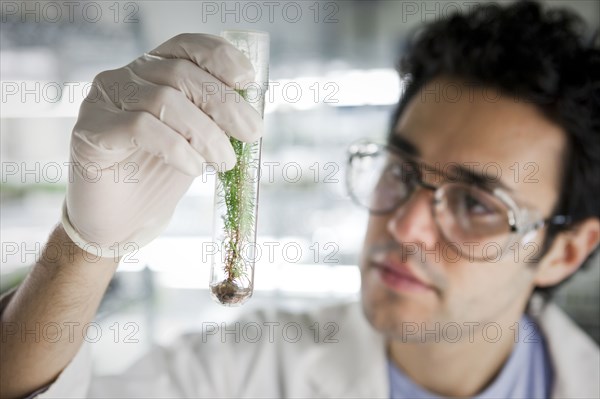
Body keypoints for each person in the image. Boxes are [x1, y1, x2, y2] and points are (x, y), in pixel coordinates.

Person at [1, 1, 599, 397]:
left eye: (476, 204)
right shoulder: (245, 368)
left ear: (565, 251)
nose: (407, 225)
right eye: (401, 170)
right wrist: (84, 248)